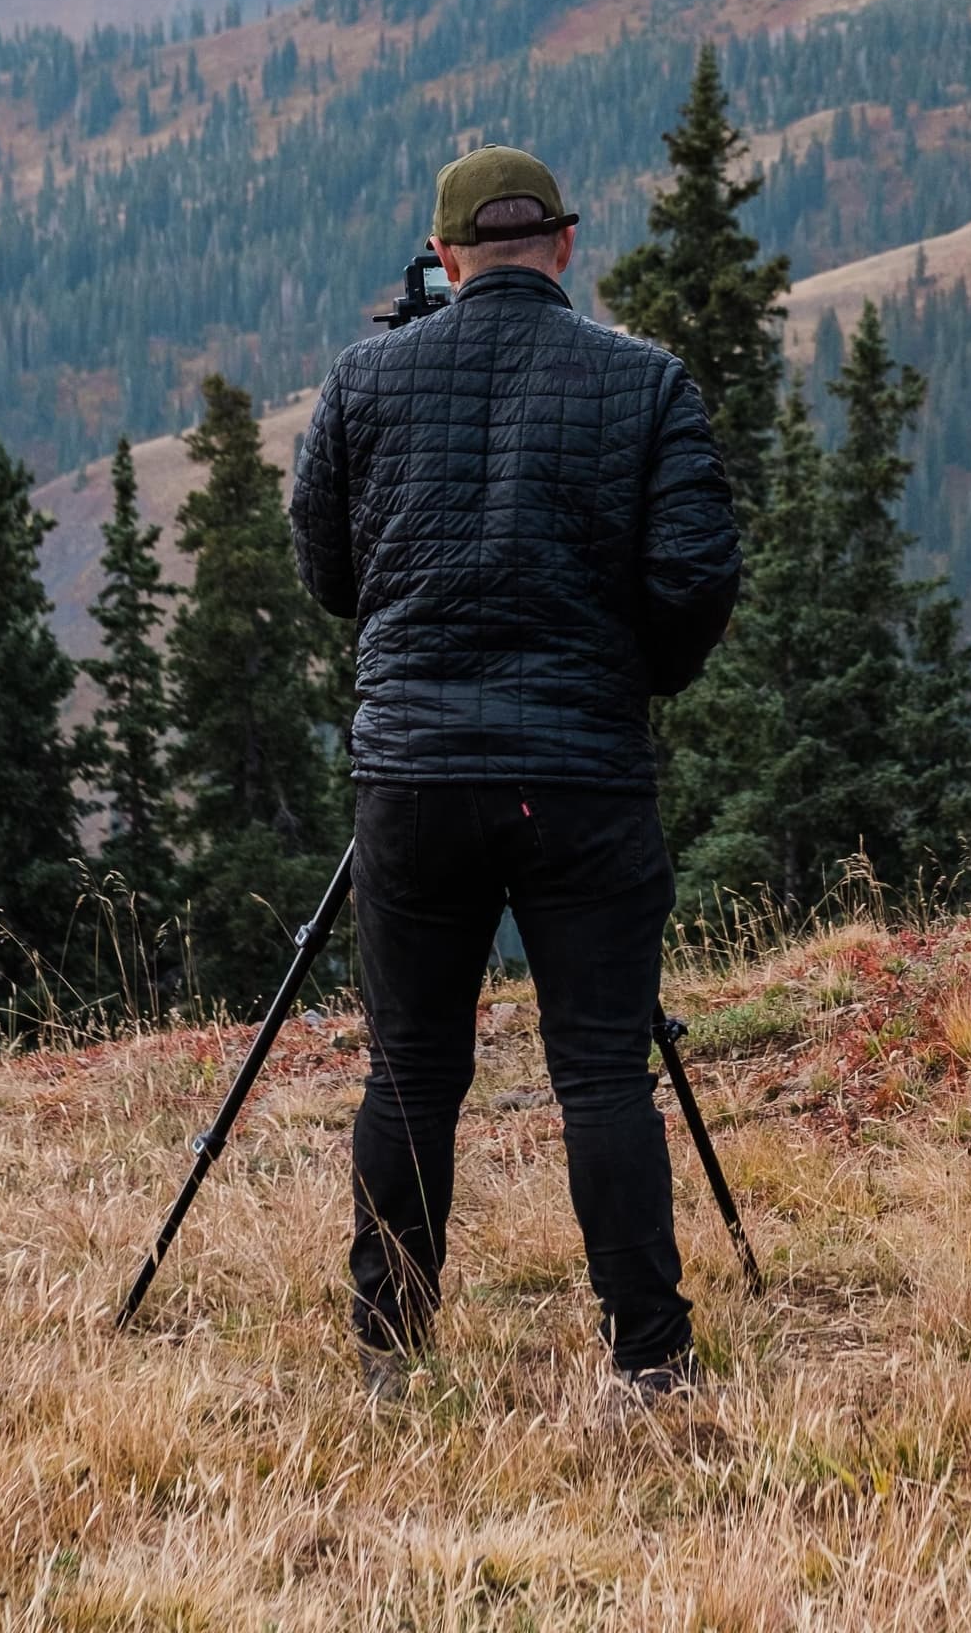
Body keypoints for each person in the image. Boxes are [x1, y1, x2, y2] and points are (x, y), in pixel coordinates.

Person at [284, 144, 742, 1404]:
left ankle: (390, 1353)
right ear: (566, 246)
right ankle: (649, 1361)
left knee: (412, 1069)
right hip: (583, 780)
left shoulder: (365, 380)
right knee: (601, 1068)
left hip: (416, 780)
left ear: (443, 258)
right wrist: (614, 677)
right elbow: (697, 579)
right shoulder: (645, 383)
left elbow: (328, 575)